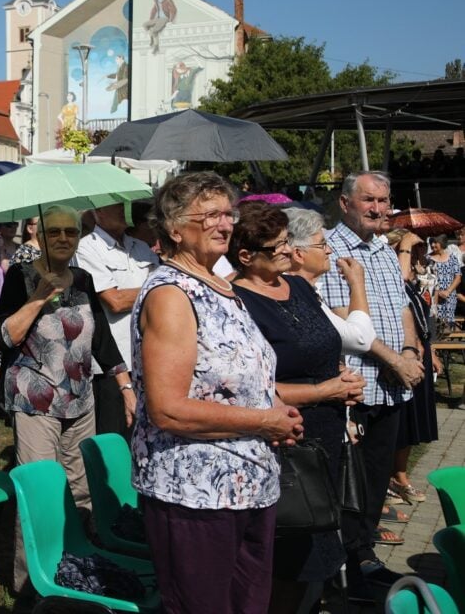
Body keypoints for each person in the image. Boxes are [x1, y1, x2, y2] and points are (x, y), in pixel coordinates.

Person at [132, 172, 303, 614]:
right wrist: (264, 421)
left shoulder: (222, 288)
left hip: (249, 485)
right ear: (173, 227)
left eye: (228, 214)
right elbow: (168, 410)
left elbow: (239, 380)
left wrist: (277, 408)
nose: (224, 224)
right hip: (195, 492)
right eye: (209, 215)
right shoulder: (172, 294)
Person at [229, 201, 366, 612]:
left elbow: (324, 343)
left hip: (326, 434)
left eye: (288, 242)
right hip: (285, 438)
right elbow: (252, 388)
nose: (290, 252)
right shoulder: (237, 302)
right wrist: (325, 390)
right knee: (289, 554)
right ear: (246, 256)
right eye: (278, 247)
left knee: (321, 541)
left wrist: (344, 378)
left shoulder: (300, 287)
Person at [0, 204, 125, 594]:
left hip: (79, 397)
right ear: (40, 236)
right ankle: (30, 581)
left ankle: (77, 565)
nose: (64, 238)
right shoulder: (20, 276)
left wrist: (126, 386)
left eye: (71, 231)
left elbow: (100, 337)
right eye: (55, 232)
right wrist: (37, 298)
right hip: (34, 399)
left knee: (81, 486)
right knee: (40, 487)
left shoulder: (84, 278)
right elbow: (5, 337)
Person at [316, 171, 422, 600]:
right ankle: (340, 566)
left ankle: (364, 555)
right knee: (347, 483)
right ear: (345, 203)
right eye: (369, 200)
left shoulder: (382, 247)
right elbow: (342, 319)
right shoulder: (329, 248)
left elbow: (402, 309)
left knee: (377, 478)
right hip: (357, 384)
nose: (379, 208)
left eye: (384, 200)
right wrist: (394, 359)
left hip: (394, 384)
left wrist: (411, 353)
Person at [75, 203, 159, 433]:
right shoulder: (86, 248)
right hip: (113, 362)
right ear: (98, 212)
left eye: (124, 204)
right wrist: (156, 289)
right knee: (116, 433)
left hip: (148, 356)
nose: (124, 209)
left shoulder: (141, 247)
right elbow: (114, 300)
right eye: (115, 206)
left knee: (147, 431)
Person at [386, 229, 439, 505]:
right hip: (399, 355)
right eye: (413, 249)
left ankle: (400, 475)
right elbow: (399, 280)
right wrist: (405, 245)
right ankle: (391, 480)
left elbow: (419, 315)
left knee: (413, 420)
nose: (419, 253)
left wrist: (431, 351)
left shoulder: (411, 279)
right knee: (401, 422)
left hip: (419, 351)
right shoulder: (393, 275)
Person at [283, 207, 377, 354]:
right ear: (298, 254)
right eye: (322, 244)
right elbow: (360, 340)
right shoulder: (292, 295)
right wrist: (357, 283)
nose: (329, 250)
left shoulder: (299, 290)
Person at [428, 233, 461, 329]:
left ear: (442, 243)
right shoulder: (428, 259)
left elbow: (458, 277)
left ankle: (447, 341)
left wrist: (448, 291)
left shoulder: (452, 258)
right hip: (433, 296)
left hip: (449, 296)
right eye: (431, 242)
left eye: (435, 242)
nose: (433, 245)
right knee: (433, 322)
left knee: (447, 324)